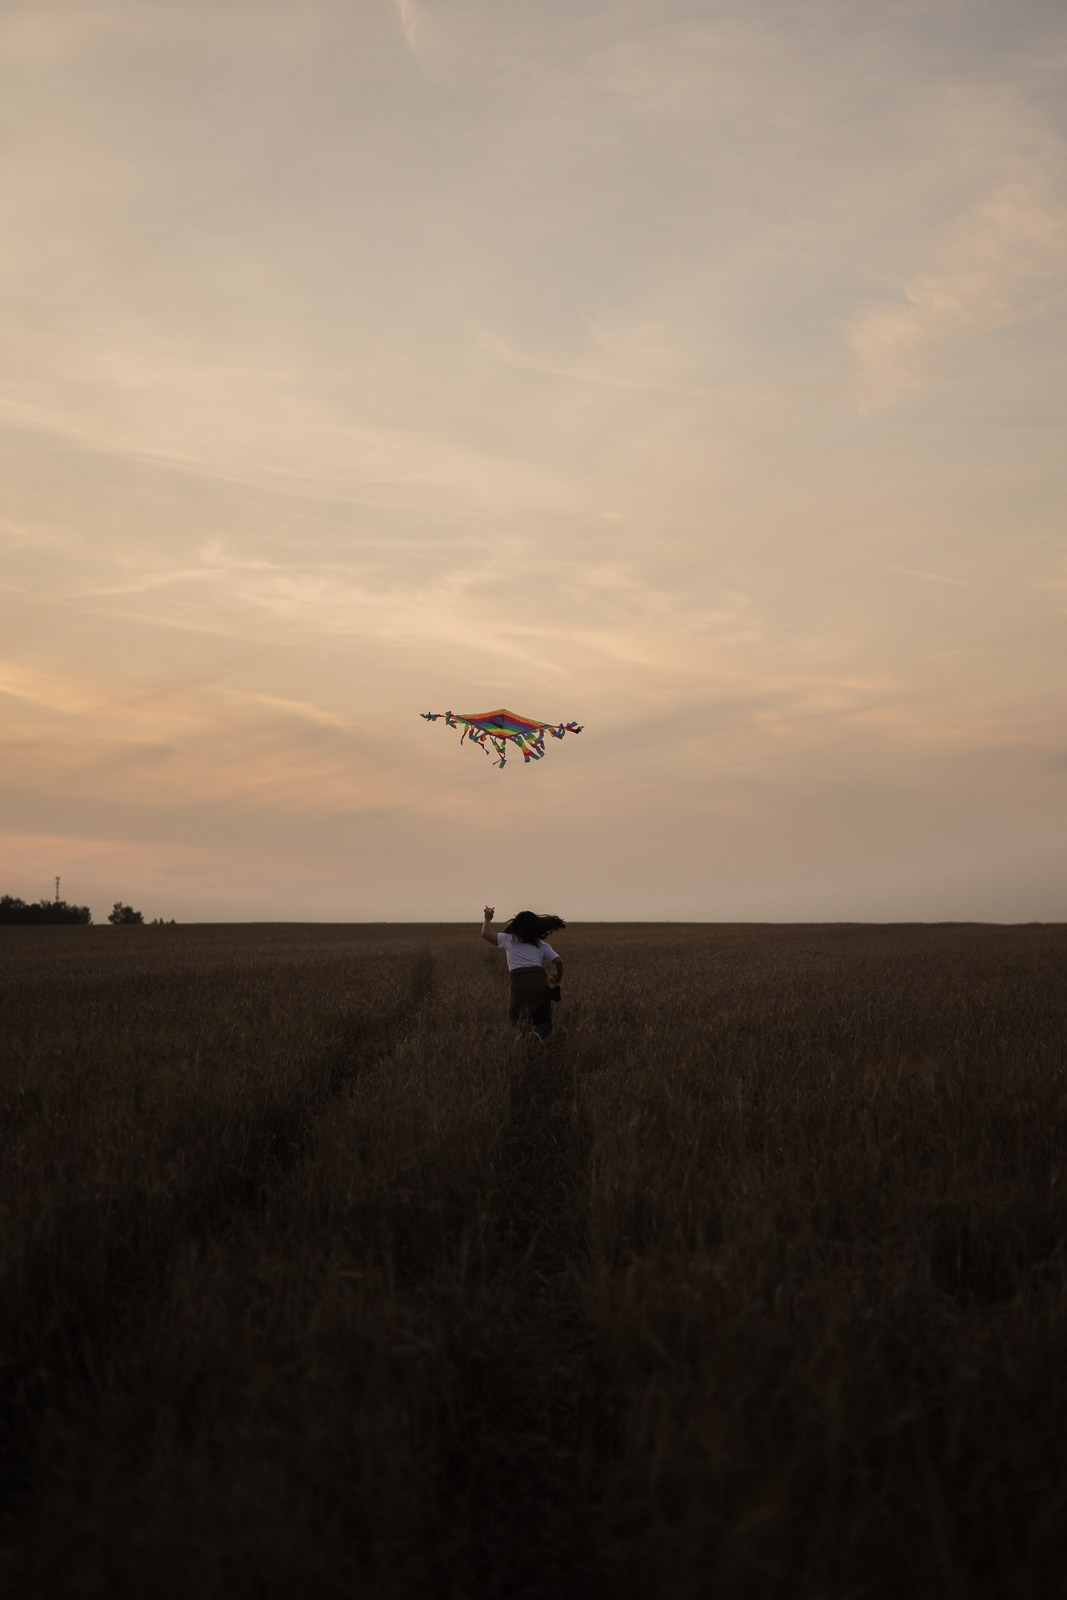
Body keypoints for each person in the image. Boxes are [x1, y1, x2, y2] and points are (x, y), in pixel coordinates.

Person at [480, 906, 565, 1042]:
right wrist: (557, 977)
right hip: (539, 981)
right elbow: (559, 962)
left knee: (517, 1020)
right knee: (544, 1022)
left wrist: (487, 918)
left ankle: (524, 1044)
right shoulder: (542, 945)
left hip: (518, 983)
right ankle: (535, 1037)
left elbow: (485, 933)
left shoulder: (509, 939)